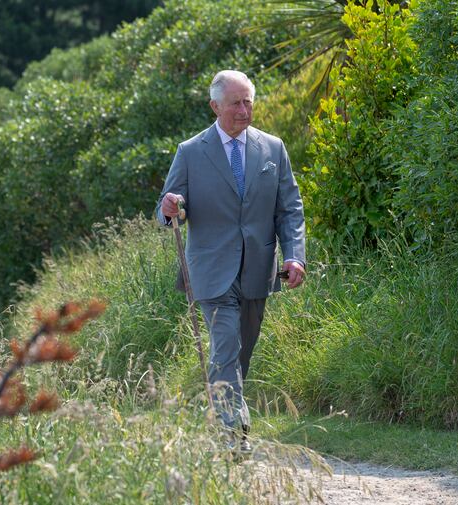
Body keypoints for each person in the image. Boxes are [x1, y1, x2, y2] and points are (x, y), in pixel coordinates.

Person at [155, 70, 306, 450]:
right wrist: (170, 207)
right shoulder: (190, 152)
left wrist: (295, 256)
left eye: (248, 102)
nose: (243, 110)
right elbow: (166, 207)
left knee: (242, 352)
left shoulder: (273, 148)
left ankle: (231, 411)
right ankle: (231, 432)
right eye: (236, 103)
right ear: (215, 106)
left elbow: (290, 209)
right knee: (225, 347)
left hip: (258, 269)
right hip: (210, 270)